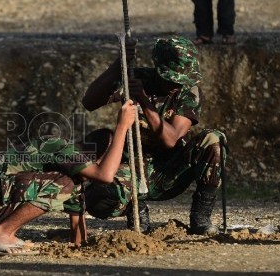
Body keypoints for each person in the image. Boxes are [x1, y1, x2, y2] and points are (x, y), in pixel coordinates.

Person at [81, 35, 228, 235]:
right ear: (158, 71)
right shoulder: (137, 78)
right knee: (97, 198)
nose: (176, 85)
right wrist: (120, 63)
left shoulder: (188, 92)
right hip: (131, 170)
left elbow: (171, 139)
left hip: (169, 172)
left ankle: (200, 218)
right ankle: (136, 208)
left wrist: (143, 100)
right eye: (171, 79)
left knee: (214, 139)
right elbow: (89, 102)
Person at [0, 100, 136, 254]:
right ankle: (1, 234)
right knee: (65, 184)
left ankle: (3, 233)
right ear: (95, 158)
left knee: (68, 185)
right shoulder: (60, 148)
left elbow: (78, 235)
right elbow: (104, 175)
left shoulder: (72, 174)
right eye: (107, 161)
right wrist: (122, 126)